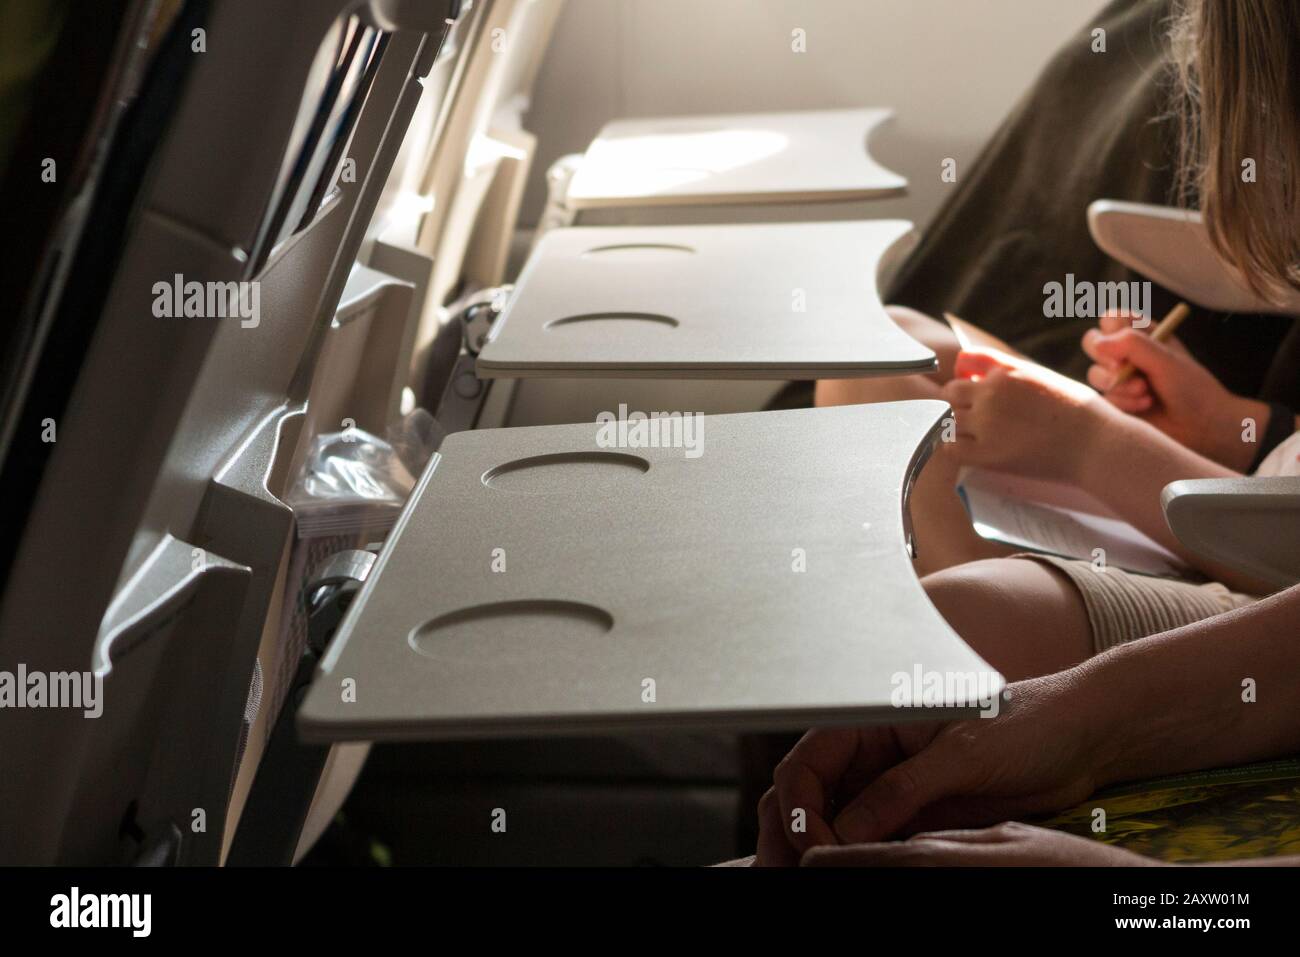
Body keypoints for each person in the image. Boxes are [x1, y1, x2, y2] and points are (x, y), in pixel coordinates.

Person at [753, 0, 1300, 865]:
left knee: (953, 638)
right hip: (1262, 535)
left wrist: (1087, 441)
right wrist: (1233, 426)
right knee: (890, 359)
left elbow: (1280, 538)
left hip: (1253, 568)